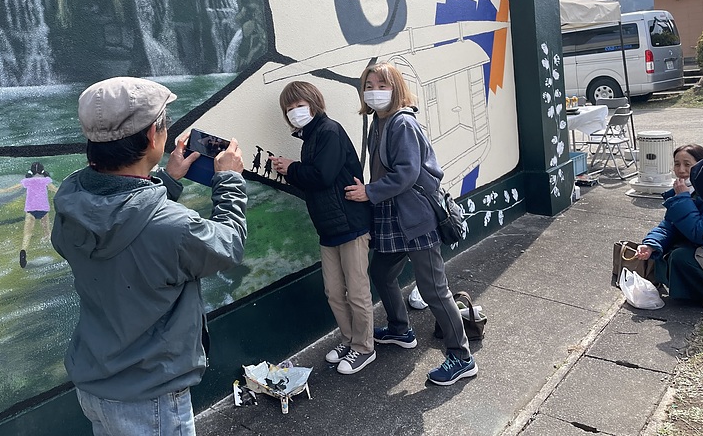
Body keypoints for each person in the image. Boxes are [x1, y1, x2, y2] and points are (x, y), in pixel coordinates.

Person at [50, 76, 247, 436]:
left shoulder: (71, 200)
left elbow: (129, 225)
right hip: (151, 397)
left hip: (94, 381)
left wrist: (167, 181)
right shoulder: (175, 227)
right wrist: (230, 180)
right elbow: (229, 245)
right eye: (164, 122)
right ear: (151, 137)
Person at [344, 62, 477, 386]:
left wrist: (368, 192)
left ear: (397, 88)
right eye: (369, 84)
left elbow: (406, 173)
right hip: (393, 216)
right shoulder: (380, 121)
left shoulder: (401, 122)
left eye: (381, 84)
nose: (374, 90)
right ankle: (400, 329)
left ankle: (461, 358)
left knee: (434, 289)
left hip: (415, 217)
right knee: (381, 273)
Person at [272, 81, 375, 374]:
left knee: (356, 291)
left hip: (351, 224)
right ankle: (349, 339)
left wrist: (290, 168)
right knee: (333, 291)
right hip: (329, 228)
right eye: (289, 109)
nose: (294, 112)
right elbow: (314, 180)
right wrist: (291, 170)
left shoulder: (329, 131)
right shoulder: (312, 137)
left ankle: (364, 348)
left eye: (298, 105)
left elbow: (323, 176)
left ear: (314, 103)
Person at [637, 144, 703, 308]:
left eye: (688, 164)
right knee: (668, 252)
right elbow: (668, 226)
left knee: (680, 257)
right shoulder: (685, 191)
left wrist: (683, 199)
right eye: (676, 164)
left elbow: (701, 233)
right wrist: (650, 244)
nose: (681, 170)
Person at [0, 161, 58, 268]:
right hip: (43, 209)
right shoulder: (45, 180)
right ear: (42, 171)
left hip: (31, 210)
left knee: (27, 235)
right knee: (47, 232)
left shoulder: (27, 181)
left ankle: (23, 251)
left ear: (31, 171)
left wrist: (3, 190)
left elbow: (15, 188)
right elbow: (54, 190)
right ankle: (51, 251)